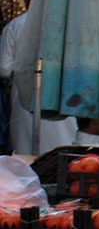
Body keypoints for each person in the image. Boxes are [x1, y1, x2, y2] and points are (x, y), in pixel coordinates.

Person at [4, 11, 78, 156]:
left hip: (25, 96)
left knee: (26, 150)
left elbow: (4, 68)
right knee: (63, 148)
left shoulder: (15, 25)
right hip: (62, 96)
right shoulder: (68, 22)